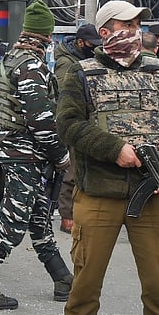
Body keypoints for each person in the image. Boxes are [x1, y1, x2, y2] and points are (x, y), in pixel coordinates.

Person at [48, 0, 159, 315]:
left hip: (152, 191)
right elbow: (69, 125)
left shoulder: (158, 70)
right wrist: (115, 150)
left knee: (158, 277)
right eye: (126, 23)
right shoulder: (81, 72)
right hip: (99, 192)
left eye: (138, 23)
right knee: (86, 276)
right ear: (106, 30)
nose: (135, 29)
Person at [0, 0, 72, 310]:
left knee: (38, 217)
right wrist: (61, 155)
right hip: (26, 152)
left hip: (15, 149)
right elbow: (39, 119)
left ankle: (62, 278)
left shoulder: (10, 58)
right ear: (47, 37)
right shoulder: (31, 65)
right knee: (13, 218)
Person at [52, 23, 100, 235]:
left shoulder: (85, 59)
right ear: (81, 43)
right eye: (92, 44)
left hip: (87, 121)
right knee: (71, 171)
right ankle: (67, 216)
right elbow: (65, 94)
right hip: (72, 120)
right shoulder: (66, 62)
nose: (95, 48)